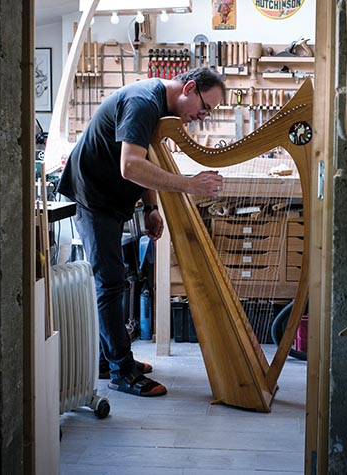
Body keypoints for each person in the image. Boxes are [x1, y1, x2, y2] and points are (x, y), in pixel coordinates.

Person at [57, 67, 226, 397]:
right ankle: (121, 370)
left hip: (113, 196)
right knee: (110, 281)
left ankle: (108, 358)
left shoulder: (159, 106)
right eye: (205, 108)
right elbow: (130, 165)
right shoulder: (143, 102)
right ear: (189, 88)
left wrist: (151, 207)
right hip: (94, 195)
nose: (202, 117)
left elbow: (145, 160)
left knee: (113, 280)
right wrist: (189, 185)